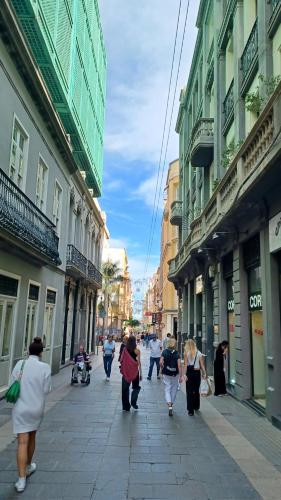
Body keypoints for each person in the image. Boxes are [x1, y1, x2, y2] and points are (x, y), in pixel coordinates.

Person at [10, 337, 51, 493]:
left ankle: (21, 480)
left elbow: (13, 381)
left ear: (28, 351)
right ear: (41, 352)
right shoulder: (45, 367)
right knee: (32, 437)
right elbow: (47, 389)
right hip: (36, 408)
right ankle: (28, 466)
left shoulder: (20, 364)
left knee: (22, 442)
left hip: (20, 408)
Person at [184, 339, 206, 416]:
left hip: (189, 373)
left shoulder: (186, 353)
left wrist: (184, 374)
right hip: (197, 373)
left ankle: (190, 410)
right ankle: (196, 406)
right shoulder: (199, 353)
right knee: (196, 390)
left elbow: (185, 365)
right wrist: (204, 373)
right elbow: (202, 365)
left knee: (189, 391)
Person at [160, 337, 182, 416]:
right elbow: (179, 365)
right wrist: (181, 375)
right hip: (175, 373)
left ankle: (169, 404)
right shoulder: (177, 353)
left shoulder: (164, 352)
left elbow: (161, 362)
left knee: (167, 388)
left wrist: (162, 368)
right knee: (174, 389)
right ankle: (171, 403)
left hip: (166, 373)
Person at [120, 336, 142, 411]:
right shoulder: (137, 351)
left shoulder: (125, 349)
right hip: (135, 372)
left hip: (126, 372)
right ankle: (133, 402)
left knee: (125, 389)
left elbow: (121, 360)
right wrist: (141, 373)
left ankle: (126, 407)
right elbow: (139, 363)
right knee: (136, 387)